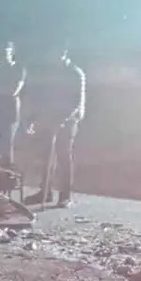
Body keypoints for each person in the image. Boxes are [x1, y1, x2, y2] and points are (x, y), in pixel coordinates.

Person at [23, 48, 85, 208]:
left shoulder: (74, 73)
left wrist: (61, 120)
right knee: (47, 156)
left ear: (64, 54)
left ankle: (65, 196)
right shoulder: (50, 73)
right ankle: (45, 192)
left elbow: (76, 102)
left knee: (64, 156)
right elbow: (41, 98)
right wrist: (33, 118)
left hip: (68, 120)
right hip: (48, 118)